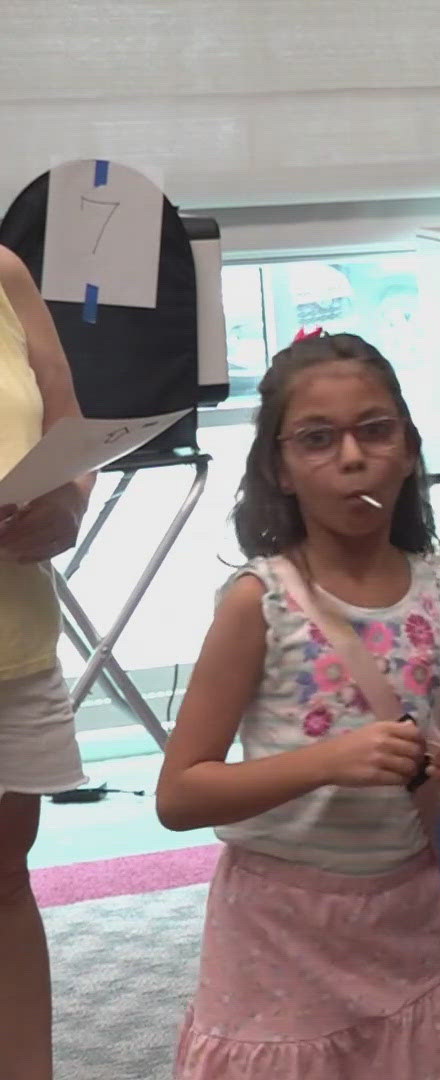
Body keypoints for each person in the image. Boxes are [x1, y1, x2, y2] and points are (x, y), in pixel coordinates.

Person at [155, 333, 440, 1080]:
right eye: (318, 439)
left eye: (374, 431)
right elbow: (180, 795)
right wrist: (327, 761)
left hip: (409, 918)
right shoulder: (260, 603)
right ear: (280, 468)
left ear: (408, 449)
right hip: (281, 933)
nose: (351, 457)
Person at [0, 245, 93, 1080]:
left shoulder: (6, 274)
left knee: (3, 884)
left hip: (12, 643)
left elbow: (70, 430)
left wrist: (64, 508)